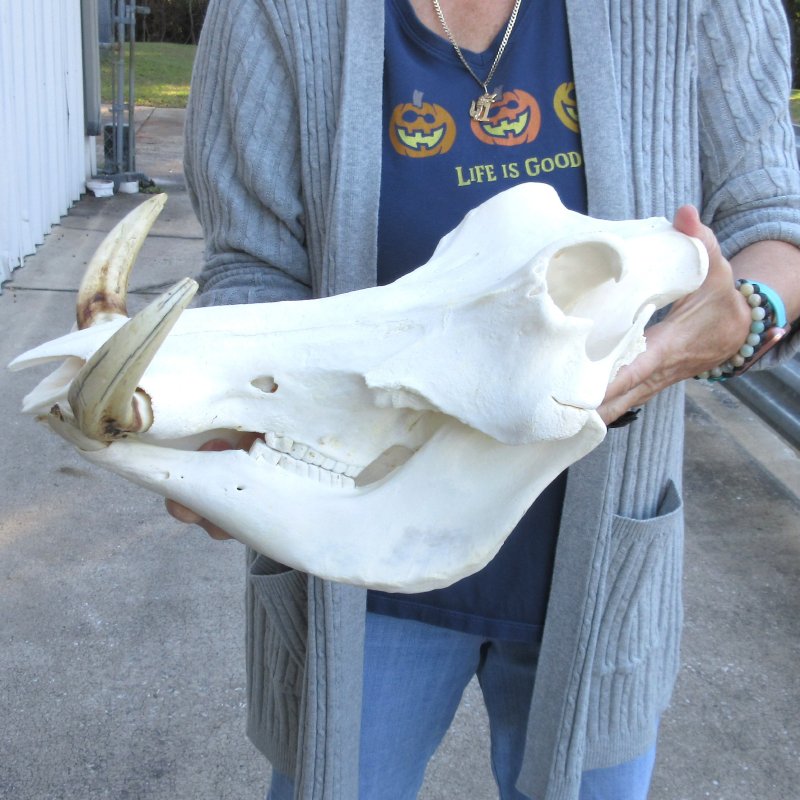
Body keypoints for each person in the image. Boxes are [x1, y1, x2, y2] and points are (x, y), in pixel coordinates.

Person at [171, 1, 800, 798]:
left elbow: (773, 220)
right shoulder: (275, 11)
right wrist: (231, 414)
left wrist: (746, 314)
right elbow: (252, 261)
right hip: (348, 549)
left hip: (598, 565)